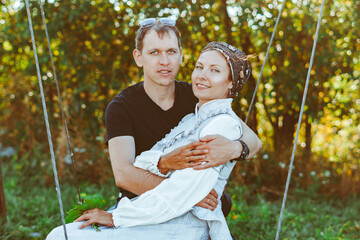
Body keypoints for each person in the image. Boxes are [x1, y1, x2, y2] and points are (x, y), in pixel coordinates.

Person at [47, 41, 253, 240]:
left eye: (214, 70)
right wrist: (163, 162)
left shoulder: (222, 126)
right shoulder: (191, 119)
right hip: (159, 212)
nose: (202, 75)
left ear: (231, 83)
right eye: (199, 67)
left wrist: (115, 217)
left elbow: (181, 194)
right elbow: (139, 165)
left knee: (61, 236)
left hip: (183, 224)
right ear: (139, 57)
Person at [104, 18, 261, 217]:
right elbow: (124, 176)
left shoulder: (198, 95)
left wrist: (234, 148)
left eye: (171, 51)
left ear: (181, 56)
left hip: (198, 208)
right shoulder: (121, 107)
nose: (164, 61)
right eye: (154, 52)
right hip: (140, 203)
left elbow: (254, 142)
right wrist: (187, 196)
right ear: (138, 57)